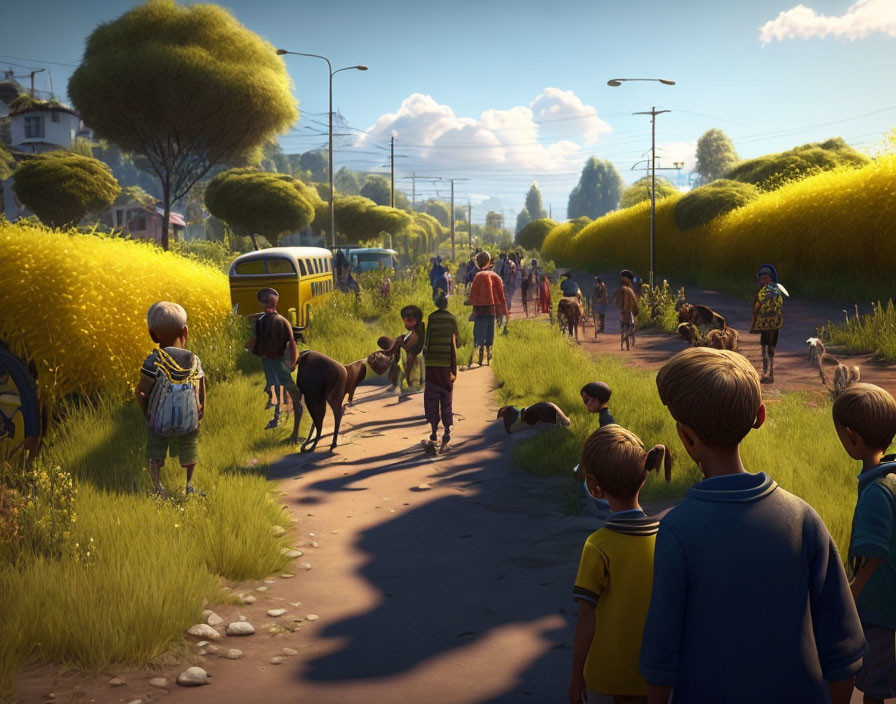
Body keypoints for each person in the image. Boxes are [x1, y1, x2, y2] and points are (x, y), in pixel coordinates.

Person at [640, 347, 865, 703]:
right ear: (760, 415)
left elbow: (660, 655)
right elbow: (844, 647)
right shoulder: (803, 517)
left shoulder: (677, 530)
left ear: (685, 436)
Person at [569, 425, 672, 704]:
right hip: (659, 666)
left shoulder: (598, 545)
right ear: (645, 475)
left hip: (615, 668)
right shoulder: (666, 538)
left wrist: (576, 674)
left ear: (594, 486)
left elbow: (586, 617)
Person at [832, 383, 896, 704]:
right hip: (888, 599)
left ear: (852, 438)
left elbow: (875, 553)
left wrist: (853, 589)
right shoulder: (891, 478)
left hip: (878, 605)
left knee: (875, 680)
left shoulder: (876, 492)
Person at [136, 301, 206, 497]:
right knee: (189, 449)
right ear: (185, 331)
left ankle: (158, 488)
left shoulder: (153, 361)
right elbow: (200, 390)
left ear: (153, 334)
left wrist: (147, 414)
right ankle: (189, 485)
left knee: (155, 451)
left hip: (158, 421)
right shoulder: (194, 360)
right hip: (189, 422)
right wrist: (200, 412)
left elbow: (141, 392)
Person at [245, 288, 300, 431]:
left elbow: (254, 339)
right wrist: (294, 361)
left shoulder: (260, 322)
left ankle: (281, 417)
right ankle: (288, 412)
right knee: (284, 386)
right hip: (280, 360)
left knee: (275, 387)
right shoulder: (283, 321)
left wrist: (247, 347)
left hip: (268, 360)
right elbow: (292, 343)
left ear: (264, 304)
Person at [422, 293, 460, 454]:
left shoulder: (431, 318)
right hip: (446, 367)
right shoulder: (451, 319)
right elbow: (457, 342)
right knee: (446, 398)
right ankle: (447, 433)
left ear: (436, 304)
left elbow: (427, 341)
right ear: (446, 304)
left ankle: (433, 431)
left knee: (431, 398)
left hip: (432, 366)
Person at [750, 263, 788, 384]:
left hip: (768, 325)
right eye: (761, 279)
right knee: (769, 349)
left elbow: (757, 307)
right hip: (774, 324)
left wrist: (754, 321)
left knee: (766, 348)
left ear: (770, 278)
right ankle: (769, 373)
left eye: (764, 278)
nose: (762, 281)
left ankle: (767, 373)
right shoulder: (776, 290)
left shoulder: (763, 292)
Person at [468, 251, 507, 366]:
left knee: (479, 334)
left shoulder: (478, 276)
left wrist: (470, 302)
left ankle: (478, 357)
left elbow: (473, 294)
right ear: (489, 262)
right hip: (491, 311)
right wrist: (503, 312)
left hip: (479, 311)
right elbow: (501, 296)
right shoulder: (496, 277)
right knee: (490, 333)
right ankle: (488, 357)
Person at [386, 305, 426, 392]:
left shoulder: (418, 334)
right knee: (395, 360)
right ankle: (397, 382)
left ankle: (419, 384)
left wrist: (401, 344)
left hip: (417, 365)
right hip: (408, 361)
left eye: (408, 321)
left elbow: (412, 349)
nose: (406, 324)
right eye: (404, 321)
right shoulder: (411, 332)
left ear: (416, 320)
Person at [613, 270, 639, 351]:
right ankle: (628, 331)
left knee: (626, 321)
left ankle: (625, 332)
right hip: (626, 308)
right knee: (629, 321)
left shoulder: (625, 286)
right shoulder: (629, 286)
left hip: (625, 308)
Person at [591, 276, 608, 342]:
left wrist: (599, 300)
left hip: (600, 303)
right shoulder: (600, 285)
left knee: (599, 318)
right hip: (600, 303)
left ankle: (599, 332)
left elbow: (603, 295)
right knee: (600, 317)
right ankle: (600, 330)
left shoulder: (599, 286)